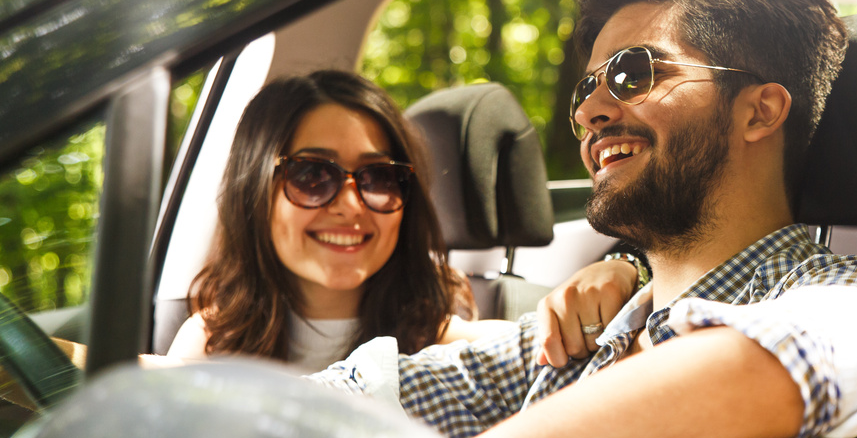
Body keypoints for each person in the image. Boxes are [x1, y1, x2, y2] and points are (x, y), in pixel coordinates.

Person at [307, 0, 857, 438]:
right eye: (587, 89)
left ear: (759, 112)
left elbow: (783, 360)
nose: (590, 113)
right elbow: (344, 402)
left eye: (633, 74)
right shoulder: (577, 336)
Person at [167, 70, 631, 370]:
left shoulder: (445, 342)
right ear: (254, 189)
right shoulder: (208, 346)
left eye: (379, 177)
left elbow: (549, 347)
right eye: (312, 175)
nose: (351, 204)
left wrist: (626, 273)